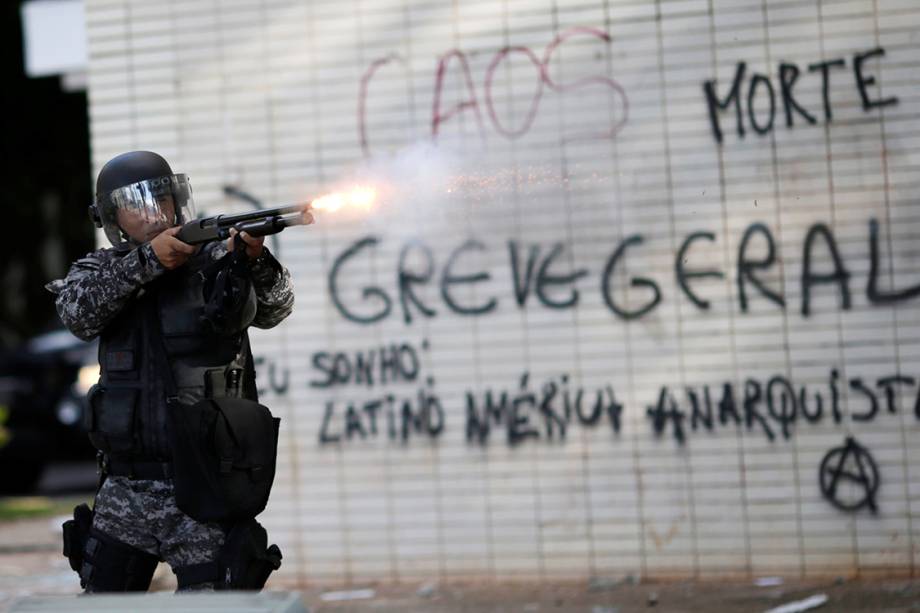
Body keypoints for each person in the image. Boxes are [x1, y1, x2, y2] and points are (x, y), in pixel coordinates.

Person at [46, 150, 312, 592]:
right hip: (126, 489)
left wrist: (253, 261)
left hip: (205, 485)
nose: (154, 213)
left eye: (161, 199)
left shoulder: (213, 262)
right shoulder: (99, 270)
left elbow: (276, 308)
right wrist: (150, 261)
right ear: (113, 217)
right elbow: (78, 313)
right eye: (137, 204)